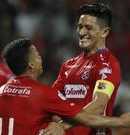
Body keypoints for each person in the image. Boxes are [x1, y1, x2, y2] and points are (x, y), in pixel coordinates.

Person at [0, 38, 130, 135]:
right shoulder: (42, 93)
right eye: (37, 55)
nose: (41, 58)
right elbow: (87, 119)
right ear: (31, 65)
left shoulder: (3, 90)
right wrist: (121, 121)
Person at [48, 3, 124, 135]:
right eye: (80, 27)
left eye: (88, 28)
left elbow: (99, 105)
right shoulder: (68, 65)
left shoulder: (108, 64)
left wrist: (64, 126)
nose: (82, 32)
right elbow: (52, 101)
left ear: (104, 32)